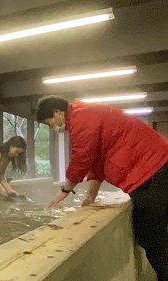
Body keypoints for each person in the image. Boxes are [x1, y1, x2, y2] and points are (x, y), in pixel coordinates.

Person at [36, 95, 168, 281]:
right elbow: (96, 162)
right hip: (152, 169)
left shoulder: (81, 117)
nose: (52, 128)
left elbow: (81, 158)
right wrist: (90, 197)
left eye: (48, 123)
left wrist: (65, 190)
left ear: (57, 113)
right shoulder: (85, 115)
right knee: (150, 231)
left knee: (150, 233)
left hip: (152, 170)